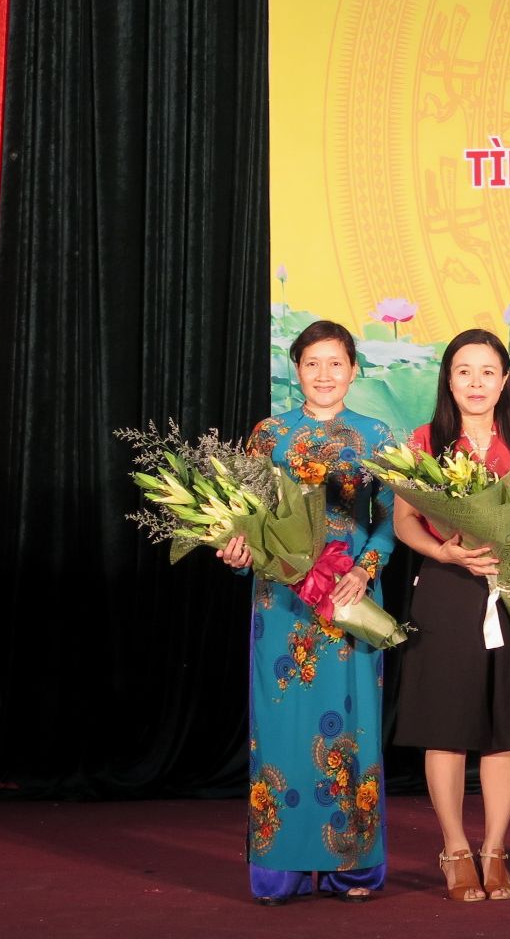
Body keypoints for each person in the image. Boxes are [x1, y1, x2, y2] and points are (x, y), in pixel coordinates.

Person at [219, 320, 396, 904]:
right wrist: (237, 552)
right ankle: (281, 869)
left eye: (335, 362)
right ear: (295, 368)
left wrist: (364, 569)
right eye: (312, 362)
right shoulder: (268, 435)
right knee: (282, 729)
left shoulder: (375, 435)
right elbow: (247, 518)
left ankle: (352, 867)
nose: (324, 374)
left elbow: (390, 520)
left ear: (354, 369)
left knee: (353, 728)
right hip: (283, 601)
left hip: (348, 599)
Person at [391, 328, 510, 903]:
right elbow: (404, 521)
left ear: (505, 381)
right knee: (447, 725)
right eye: (464, 371)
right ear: (449, 379)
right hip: (446, 588)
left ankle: (496, 850)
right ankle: (456, 849)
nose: (476, 382)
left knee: (504, 727)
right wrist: (443, 552)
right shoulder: (425, 441)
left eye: (488, 372)